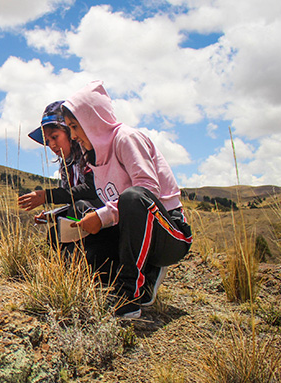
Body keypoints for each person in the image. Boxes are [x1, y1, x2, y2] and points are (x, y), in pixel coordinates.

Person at [40, 80, 192, 319]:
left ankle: (129, 294)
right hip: (126, 233)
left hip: (168, 233)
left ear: (92, 120)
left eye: (74, 126)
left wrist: (101, 217)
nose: (73, 135)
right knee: (71, 247)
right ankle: (138, 271)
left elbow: (146, 191)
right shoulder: (94, 156)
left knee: (133, 197)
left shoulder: (126, 138)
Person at [18, 100, 102, 253]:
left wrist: (47, 196)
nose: (52, 145)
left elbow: (92, 190)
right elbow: (72, 197)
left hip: (104, 218)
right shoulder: (66, 164)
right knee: (54, 234)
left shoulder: (92, 153)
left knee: (80, 208)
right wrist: (54, 214)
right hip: (84, 214)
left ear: (70, 131)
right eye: (47, 141)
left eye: (55, 137)